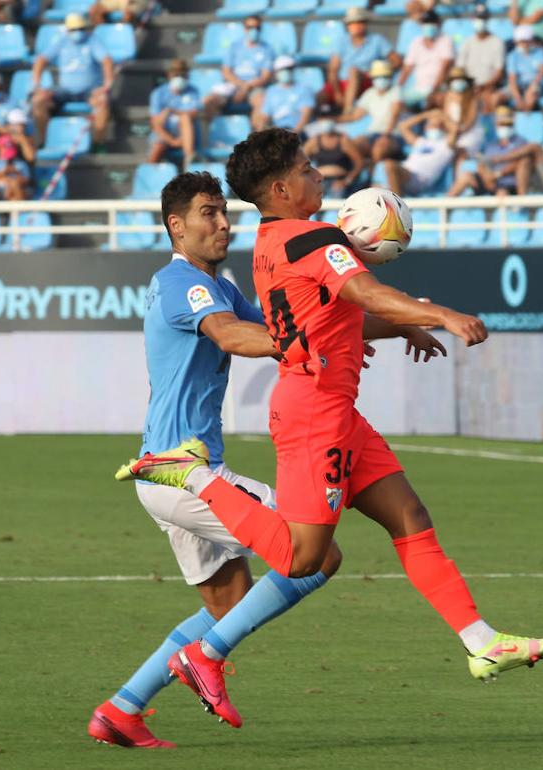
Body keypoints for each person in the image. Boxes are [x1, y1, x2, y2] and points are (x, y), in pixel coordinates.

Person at [118, 128, 543, 717]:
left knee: (408, 517)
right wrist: (441, 314)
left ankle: (481, 642)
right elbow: (363, 294)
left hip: (334, 409)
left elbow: (317, 320)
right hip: (313, 415)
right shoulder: (309, 239)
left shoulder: (268, 244)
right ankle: (194, 498)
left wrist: (388, 327)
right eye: (307, 169)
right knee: (306, 560)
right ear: (281, 188)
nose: (318, 176)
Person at [89, 171, 345, 748]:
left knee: (228, 601)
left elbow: (280, 327)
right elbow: (233, 336)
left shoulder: (215, 284)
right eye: (210, 213)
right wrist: (301, 346)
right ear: (176, 226)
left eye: (225, 213)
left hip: (164, 471)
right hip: (187, 475)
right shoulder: (184, 285)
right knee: (317, 553)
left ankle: (120, 711)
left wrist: (394, 318)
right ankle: (202, 660)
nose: (225, 223)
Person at [31, 13, 115, 147]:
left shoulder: (92, 40)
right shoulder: (62, 41)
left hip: (90, 90)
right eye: (74, 30)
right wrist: (37, 84)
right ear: (68, 30)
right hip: (65, 90)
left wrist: (106, 85)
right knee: (38, 101)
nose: (78, 32)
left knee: (102, 101)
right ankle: (45, 141)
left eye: (81, 29)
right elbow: (41, 60)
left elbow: (107, 61)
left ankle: (98, 144)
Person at [204, 14, 273, 122]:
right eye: (250, 27)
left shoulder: (266, 49)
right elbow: (226, 72)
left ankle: (257, 137)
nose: (253, 31)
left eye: (257, 28)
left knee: (262, 103)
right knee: (209, 101)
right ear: (244, 29)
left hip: (254, 87)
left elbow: (265, 77)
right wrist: (241, 85)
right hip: (234, 84)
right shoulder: (235, 46)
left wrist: (247, 87)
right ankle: (214, 135)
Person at [448, 106, 530, 196]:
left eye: (507, 123)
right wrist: (484, 173)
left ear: (512, 124)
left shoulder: (520, 142)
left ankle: (516, 208)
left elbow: (521, 163)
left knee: (502, 193)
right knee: (465, 177)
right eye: (501, 123)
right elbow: (483, 163)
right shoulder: (491, 145)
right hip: (491, 183)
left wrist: (497, 175)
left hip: (508, 184)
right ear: (496, 124)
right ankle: (444, 206)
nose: (504, 126)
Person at [327, 8, 396, 113]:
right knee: (319, 96)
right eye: (352, 23)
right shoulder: (341, 41)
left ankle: (347, 110)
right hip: (343, 82)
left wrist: (378, 71)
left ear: (365, 24)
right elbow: (333, 70)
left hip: (366, 81)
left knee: (353, 71)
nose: (356, 26)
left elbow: (396, 61)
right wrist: (337, 93)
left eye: (359, 22)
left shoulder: (377, 40)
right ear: (348, 25)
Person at [340, 59, 403, 160]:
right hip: (374, 133)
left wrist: (386, 135)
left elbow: (395, 115)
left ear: (390, 77)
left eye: (384, 76)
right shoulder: (370, 93)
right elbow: (355, 116)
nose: (381, 79)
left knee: (379, 148)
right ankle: (358, 171)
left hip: (393, 135)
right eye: (378, 77)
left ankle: (374, 172)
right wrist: (334, 119)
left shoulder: (396, 90)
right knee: (353, 145)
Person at [384, 112, 456, 195]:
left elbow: (455, 129)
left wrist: (443, 116)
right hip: (407, 172)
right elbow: (403, 126)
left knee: (390, 165)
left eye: (438, 125)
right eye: (431, 125)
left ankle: (398, 203)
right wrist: (426, 115)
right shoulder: (420, 141)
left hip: (420, 179)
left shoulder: (446, 144)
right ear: (425, 127)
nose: (434, 127)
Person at [148, 58, 201, 166]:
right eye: (176, 75)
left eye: (183, 75)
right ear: (169, 75)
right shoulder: (158, 93)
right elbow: (155, 125)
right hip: (165, 134)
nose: (179, 78)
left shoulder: (193, 91)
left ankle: (189, 158)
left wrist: (174, 111)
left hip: (186, 134)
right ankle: (149, 172)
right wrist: (172, 141)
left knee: (185, 117)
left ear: (187, 76)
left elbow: (194, 113)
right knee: (158, 145)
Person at [398, 10, 454, 111]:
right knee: (397, 101)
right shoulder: (416, 42)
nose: (429, 26)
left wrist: (435, 88)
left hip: (439, 88)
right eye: (426, 23)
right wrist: (397, 88)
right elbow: (407, 69)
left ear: (438, 25)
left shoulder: (445, 40)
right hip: (419, 88)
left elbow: (445, 68)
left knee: (438, 99)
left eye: (432, 23)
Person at [253, 56, 315, 135]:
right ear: (276, 72)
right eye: (282, 70)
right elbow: (265, 116)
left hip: (300, 132)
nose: (285, 72)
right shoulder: (271, 91)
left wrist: (294, 134)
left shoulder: (304, 89)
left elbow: (305, 116)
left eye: (289, 69)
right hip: (279, 131)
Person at [456, 5, 506, 102]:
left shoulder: (497, 42)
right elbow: (460, 68)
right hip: (468, 87)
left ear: (488, 20)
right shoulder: (467, 42)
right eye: (478, 18)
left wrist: (484, 86)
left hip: (488, 87)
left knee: (488, 99)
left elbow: (499, 72)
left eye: (483, 18)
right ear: (473, 20)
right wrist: (469, 85)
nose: (480, 21)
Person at [304, 124, 367, 196]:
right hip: (319, 182)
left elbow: (359, 163)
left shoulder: (344, 141)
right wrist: (311, 180)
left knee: (337, 198)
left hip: (339, 181)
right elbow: (300, 162)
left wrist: (347, 181)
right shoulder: (314, 141)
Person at [499, 25, 543, 111]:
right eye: (522, 42)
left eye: (526, 41)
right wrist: (517, 97)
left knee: (530, 98)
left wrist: (533, 86)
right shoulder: (513, 56)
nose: (524, 44)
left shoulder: (540, 52)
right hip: (518, 86)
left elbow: (542, 72)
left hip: (536, 84)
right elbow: (512, 80)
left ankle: (525, 121)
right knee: (496, 98)